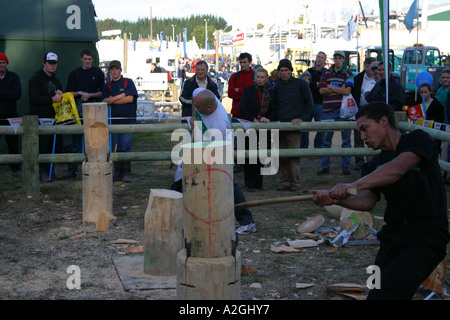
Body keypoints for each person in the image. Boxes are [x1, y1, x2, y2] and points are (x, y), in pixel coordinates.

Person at [312, 102, 449, 300]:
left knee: (389, 294)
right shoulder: (373, 166)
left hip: (425, 237)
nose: (362, 136)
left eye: (365, 128)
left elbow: (397, 169)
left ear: (384, 121)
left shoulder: (418, 140)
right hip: (392, 238)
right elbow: (367, 201)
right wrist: (335, 200)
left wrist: (354, 184)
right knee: (374, 291)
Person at [193, 88, 257, 234]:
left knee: (228, 183)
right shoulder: (206, 97)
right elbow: (194, 98)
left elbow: (214, 150)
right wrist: (193, 116)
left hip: (219, 151)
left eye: (198, 107)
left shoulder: (220, 124)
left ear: (209, 107)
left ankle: (247, 221)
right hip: (205, 145)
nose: (196, 108)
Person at [268, 59, 313, 191]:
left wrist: (302, 119)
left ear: (291, 71)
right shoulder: (276, 87)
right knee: (282, 155)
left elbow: (309, 104)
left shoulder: (301, 84)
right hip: (280, 126)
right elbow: (274, 107)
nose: (284, 73)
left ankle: (295, 182)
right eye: (281, 70)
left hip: (294, 127)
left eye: (286, 70)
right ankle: (285, 181)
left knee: (294, 155)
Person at [63, 48, 105, 179]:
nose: (87, 61)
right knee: (76, 140)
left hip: (94, 108)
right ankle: (72, 169)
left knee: (94, 140)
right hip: (77, 109)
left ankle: (94, 168)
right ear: (81, 59)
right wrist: (80, 93)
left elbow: (102, 92)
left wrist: (89, 95)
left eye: (89, 59)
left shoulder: (98, 73)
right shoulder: (74, 73)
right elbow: (68, 93)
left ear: (92, 60)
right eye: (85, 59)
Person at [317, 50, 354, 176]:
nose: (338, 60)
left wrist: (331, 87)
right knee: (326, 140)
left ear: (344, 60)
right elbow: (321, 90)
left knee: (346, 140)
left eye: (340, 58)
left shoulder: (348, 73)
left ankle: (346, 166)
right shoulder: (326, 72)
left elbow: (347, 91)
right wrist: (339, 89)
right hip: (328, 110)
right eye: (336, 58)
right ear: (333, 59)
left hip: (344, 111)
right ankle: (325, 166)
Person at [29, 52, 64, 182]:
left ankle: (51, 170)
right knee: (42, 146)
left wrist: (61, 94)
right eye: (50, 63)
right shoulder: (36, 79)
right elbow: (34, 98)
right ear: (44, 63)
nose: (52, 65)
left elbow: (60, 96)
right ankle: (42, 172)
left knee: (53, 146)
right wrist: (52, 99)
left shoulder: (56, 80)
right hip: (41, 117)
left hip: (54, 118)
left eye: (54, 63)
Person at [101, 60, 138, 183]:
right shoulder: (108, 85)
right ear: (110, 71)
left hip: (127, 120)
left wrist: (113, 99)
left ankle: (127, 172)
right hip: (113, 121)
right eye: (112, 69)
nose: (114, 71)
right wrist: (120, 96)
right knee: (115, 147)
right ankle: (118, 172)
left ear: (120, 70)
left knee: (125, 146)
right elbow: (104, 101)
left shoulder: (128, 82)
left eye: (117, 69)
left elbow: (130, 98)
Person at [239, 68, 272, 192]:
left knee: (261, 155)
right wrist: (253, 119)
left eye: (262, 77)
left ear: (266, 78)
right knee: (250, 155)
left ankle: (259, 182)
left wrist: (267, 118)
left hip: (264, 127)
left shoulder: (271, 92)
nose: (260, 79)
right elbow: (242, 108)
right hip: (250, 126)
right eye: (258, 77)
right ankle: (250, 183)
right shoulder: (248, 90)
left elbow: (274, 109)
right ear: (255, 78)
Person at [351, 56, 377, 170]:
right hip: (360, 109)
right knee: (358, 136)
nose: (370, 69)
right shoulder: (358, 78)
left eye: (372, 67)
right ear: (364, 66)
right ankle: (359, 161)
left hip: (373, 110)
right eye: (367, 66)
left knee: (372, 135)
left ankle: (372, 160)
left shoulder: (378, 79)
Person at [0, 52, 22, 177]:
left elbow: (17, 95)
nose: (1, 65)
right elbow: (12, 94)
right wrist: (8, 94)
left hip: (11, 115)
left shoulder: (14, 77)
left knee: (13, 143)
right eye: (0, 63)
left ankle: (16, 168)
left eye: (3, 62)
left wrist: (2, 94)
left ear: (7, 63)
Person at [301, 51, 328, 150]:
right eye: (318, 57)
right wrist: (317, 85)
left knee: (321, 128)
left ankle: (318, 148)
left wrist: (317, 85)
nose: (320, 59)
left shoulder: (326, 72)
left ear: (325, 61)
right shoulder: (309, 71)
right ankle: (303, 149)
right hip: (308, 104)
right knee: (304, 127)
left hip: (320, 103)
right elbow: (304, 84)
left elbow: (323, 87)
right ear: (315, 58)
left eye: (322, 58)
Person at [228, 52, 254, 120]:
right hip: (237, 114)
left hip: (252, 114)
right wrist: (247, 94)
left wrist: (239, 90)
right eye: (241, 62)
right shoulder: (234, 76)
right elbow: (231, 94)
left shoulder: (256, 76)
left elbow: (255, 94)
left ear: (250, 62)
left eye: (245, 62)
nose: (242, 64)